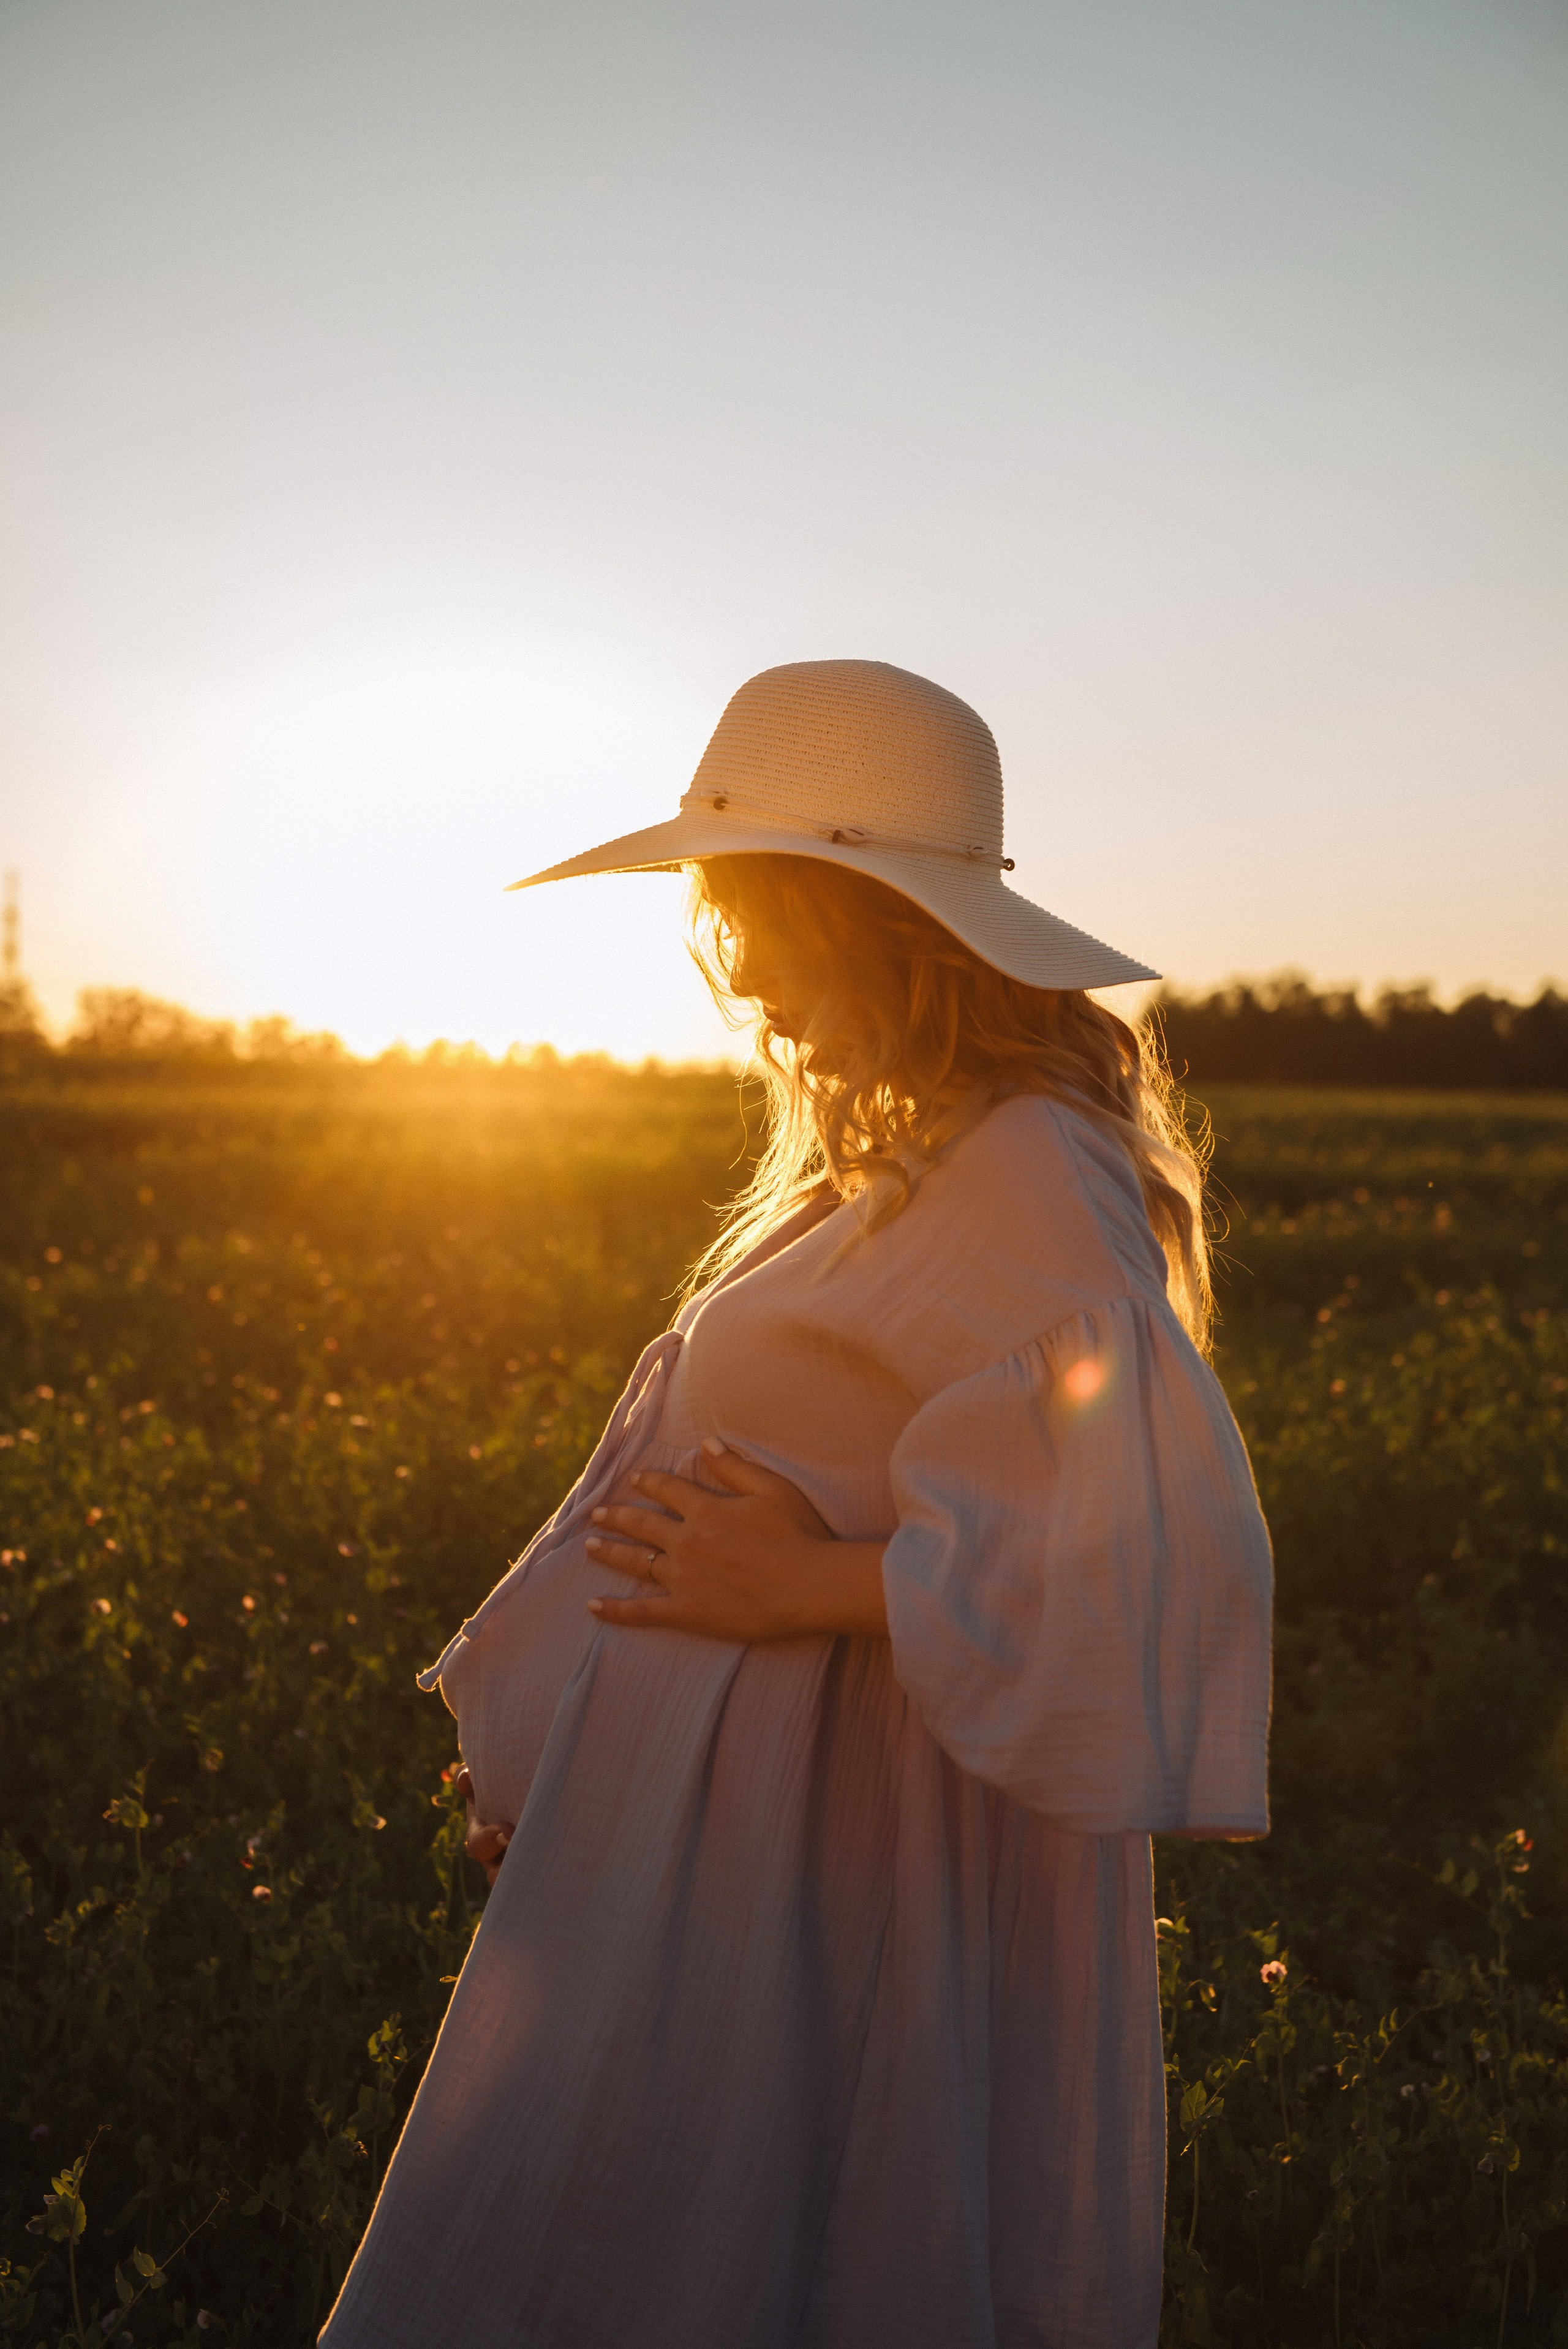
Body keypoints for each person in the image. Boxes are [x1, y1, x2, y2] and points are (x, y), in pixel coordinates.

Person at [319, 659, 1273, 2349]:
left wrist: (810, 1585)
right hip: (738, 1827)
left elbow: (1154, 1545)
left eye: (758, 913)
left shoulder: (1032, 1163)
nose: (742, 973)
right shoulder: (909, 1154)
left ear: (881, 919)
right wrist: (579, 1752)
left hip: (845, 1837)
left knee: (777, 2248)